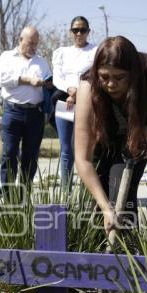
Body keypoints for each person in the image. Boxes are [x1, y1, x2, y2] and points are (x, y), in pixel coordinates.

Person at [75, 36, 147, 234]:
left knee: (122, 201)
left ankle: (127, 255)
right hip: (101, 140)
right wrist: (104, 208)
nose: (111, 84)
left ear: (133, 73)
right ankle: (94, 257)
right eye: (104, 77)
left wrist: (142, 134)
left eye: (119, 77)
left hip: (137, 138)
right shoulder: (88, 87)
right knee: (96, 206)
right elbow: (82, 159)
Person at [0, 26, 51, 194]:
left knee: (31, 156)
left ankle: (24, 193)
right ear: (20, 40)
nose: (33, 47)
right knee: (9, 153)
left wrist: (48, 84)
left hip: (35, 113)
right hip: (13, 111)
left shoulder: (41, 62)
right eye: (29, 43)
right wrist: (28, 80)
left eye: (35, 44)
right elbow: (3, 79)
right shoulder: (6, 57)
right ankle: (7, 195)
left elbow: (49, 81)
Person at [52, 16, 96, 189]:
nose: (79, 33)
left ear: (88, 32)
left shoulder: (95, 51)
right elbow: (57, 77)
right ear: (71, 32)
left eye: (83, 30)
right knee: (66, 149)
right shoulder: (61, 52)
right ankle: (66, 190)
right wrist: (70, 90)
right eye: (75, 30)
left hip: (87, 102)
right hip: (65, 101)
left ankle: (89, 189)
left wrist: (78, 93)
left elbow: (95, 76)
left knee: (86, 149)